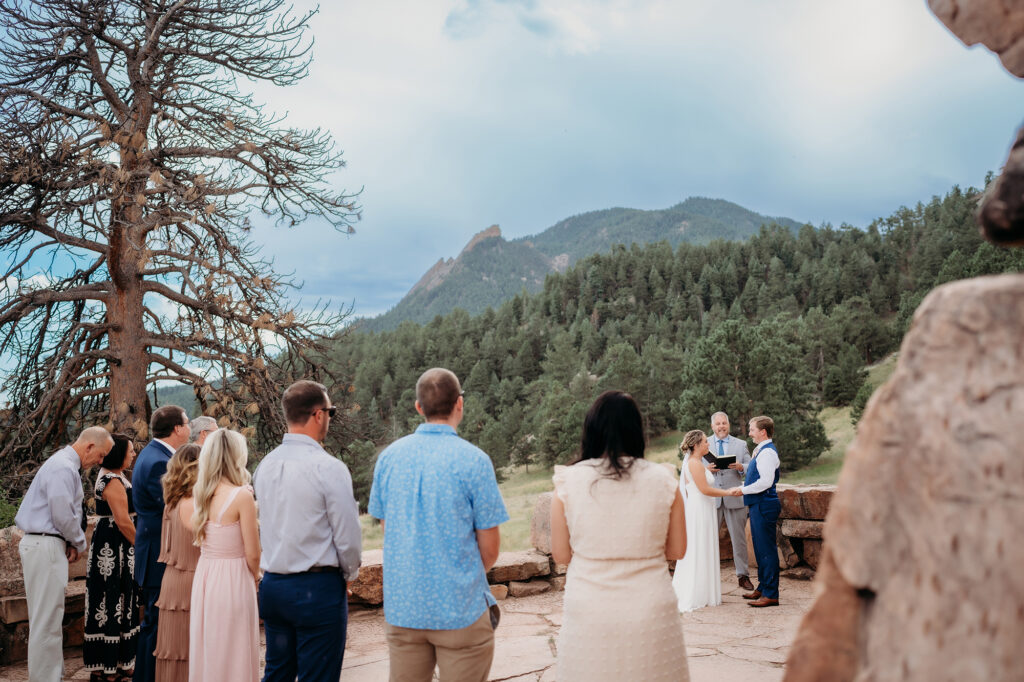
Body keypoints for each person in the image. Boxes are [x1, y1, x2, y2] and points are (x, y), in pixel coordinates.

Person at [369, 368, 509, 682]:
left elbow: (388, 531)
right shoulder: (474, 461)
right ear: (460, 404)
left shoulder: (389, 459)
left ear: (419, 407)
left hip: (405, 609)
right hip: (460, 610)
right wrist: (459, 577)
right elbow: (490, 548)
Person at [550, 391, 688, 682]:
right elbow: (677, 549)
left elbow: (561, 555)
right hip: (650, 605)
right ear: (636, 430)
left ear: (592, 430)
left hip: (589, 605)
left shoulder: (568, 481)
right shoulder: (664, 479)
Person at [254, 380, 362, 682]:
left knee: (277, 674)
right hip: (317, 589)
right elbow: (348, 537)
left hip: (274, 586)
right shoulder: (328, 467)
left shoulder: (266, 465)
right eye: (331, 411)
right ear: (318, 415)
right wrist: (348, 575)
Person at [16, 426, 113, 682]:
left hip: (47, 544)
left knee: (49, 619)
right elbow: (62, 514)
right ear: (89, 446)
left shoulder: (64, 464)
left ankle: (53, 676)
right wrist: (80, 543)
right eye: (101, 455)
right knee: (46, 623)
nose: (100, 462)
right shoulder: (63, 467)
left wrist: (69, 541)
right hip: (44, 545)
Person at [189, 428, 261, 682]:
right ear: (236, 457)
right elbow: (253, 553)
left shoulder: (201, 493)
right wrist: (257, 575)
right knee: (236, 648)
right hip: (234, 578)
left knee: (211, 647)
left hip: (206, 576)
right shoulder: (242, 496)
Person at [133, 405, 190, 682]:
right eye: (187, 423)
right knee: (155, 623)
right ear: (177, 429)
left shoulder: (152, 455)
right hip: (159, 553)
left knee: (155, 622)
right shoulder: (159, 462)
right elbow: (173, 508)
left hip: (154, 551)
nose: (189, 429)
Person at [83, 433, 141, 682]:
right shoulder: (112, 481)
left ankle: (118, 661)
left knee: (119, 600)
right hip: (115, 547)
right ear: (119, 453)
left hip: (115, 544)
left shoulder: (115, 476)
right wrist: (141, 547)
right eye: (130, 451)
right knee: (113, 600)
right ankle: (108, 665)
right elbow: (124, 522)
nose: (134, 454)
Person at [154, 443, 201, 682]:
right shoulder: (196, 504)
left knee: (173, 648)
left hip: (171, 580)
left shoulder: (171, 501)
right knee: (188, 648)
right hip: (193, 579)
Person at [673, 429, 731, 612]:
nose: (708, 444)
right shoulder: (695, 463)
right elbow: (705, 490)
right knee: (699, 547)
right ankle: (697, 593)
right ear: (697, 445)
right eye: (705, 442)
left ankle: (704, 591)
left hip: (702, 508)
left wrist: (705, 471)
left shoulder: (697, 463)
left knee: (702, 546)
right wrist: (728, 492)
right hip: (699, 510)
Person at [726, 415, 781, 607]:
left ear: (762, 431)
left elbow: (765, 482)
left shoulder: (767, 453)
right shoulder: (761, 450)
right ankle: (763, 587)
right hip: (758, 504)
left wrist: (742, 489)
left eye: (752, 429)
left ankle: (771, 594)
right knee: (759, 549)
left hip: (765, 504)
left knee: (767, 550)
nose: (749, 432)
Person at [707, 411, 754, 592]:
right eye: (718, 424)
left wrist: (742, 467)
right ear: (712, 426)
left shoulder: (741, 445)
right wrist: (707, 469)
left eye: (724, 423)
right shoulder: (704, 444)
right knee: (708, 540)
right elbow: (693, 468)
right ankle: (709, 578)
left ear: (728, 424)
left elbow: (752, 468)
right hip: (712, 500)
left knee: (739, 540)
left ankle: (743, 576)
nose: (721, 426)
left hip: (735, 498)